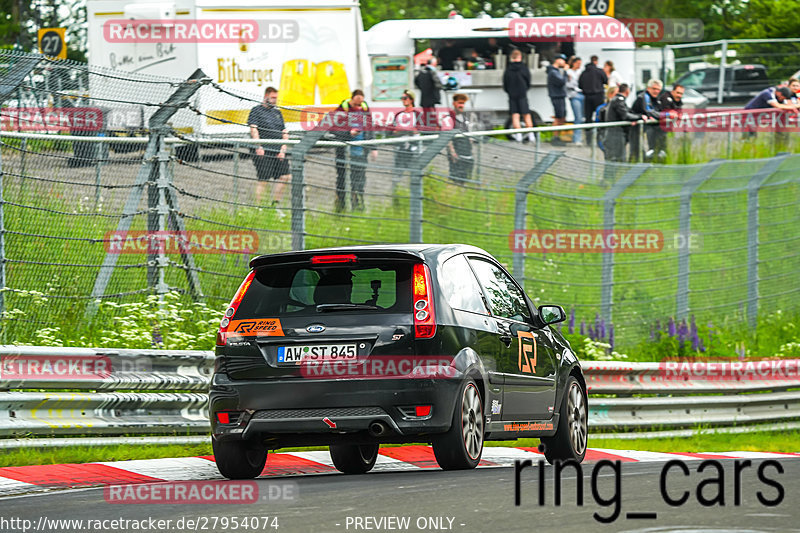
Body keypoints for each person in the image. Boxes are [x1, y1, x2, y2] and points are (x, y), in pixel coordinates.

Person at [332, 89, 378, 212]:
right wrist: (348, 133)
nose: (358, 106)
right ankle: (341, 206)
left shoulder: (364, 108)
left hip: (360, 151)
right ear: (351, 99)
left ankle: (358, 205)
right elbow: (333, 128)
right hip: (344, 152)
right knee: (343, 178)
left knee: (359, 178)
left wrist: (373, 147)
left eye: (360, 103)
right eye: (356, 104)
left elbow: (370, 127)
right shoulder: (342, 109)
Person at [248, 86, 290, 206]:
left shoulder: (277, 112)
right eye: (272, 98)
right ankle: (259, 206)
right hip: (263, 149)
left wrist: (283, 149)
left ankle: (275, 204)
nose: (275, 100)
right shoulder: (256, 110)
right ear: (266, 97)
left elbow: (284, 131)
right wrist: (258, 146)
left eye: (276, 98)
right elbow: (253, 129)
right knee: (264, 179)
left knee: (285, 176)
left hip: (277, 149)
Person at [604, 83, 650, 164]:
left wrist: (636, 117)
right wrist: (640, 117)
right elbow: (625, 115)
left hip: (615, 134)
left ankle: (613, 176)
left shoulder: (618, 100)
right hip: (615, 134)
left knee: (617, 159)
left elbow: (629, 113)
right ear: (627, 91)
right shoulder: (619, 100)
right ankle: (612, 177)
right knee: (617, 159)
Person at [391, 90, 423, 199]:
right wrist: (405, 130)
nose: (403, 100)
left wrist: (403, 129)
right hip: (400, 148)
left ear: (411, 100)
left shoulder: (418, 114)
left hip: (414, 148)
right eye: (402, 98)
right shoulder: (398, 115)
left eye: (406, 98)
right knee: (397, 175)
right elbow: (392, 131)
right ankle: (396, 198)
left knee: (416, 174)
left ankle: (416, 198)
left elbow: (418, 130)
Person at [502, 49, 535, 142]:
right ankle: (531, 134)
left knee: (515, 115)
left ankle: (519, 135)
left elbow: (505, 84)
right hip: (522, 94)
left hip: (512, 95)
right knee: (526, 114)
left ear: (511, 57)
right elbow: (528, 81)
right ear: (520, 57)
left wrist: (509, 91)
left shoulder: (508, 69)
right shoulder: (524, 68)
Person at [630, 79, 664, 162]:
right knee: (636, 151)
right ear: (648, 88)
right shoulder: (643, 97)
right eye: (654, 89)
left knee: (653, 149)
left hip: (648, 128)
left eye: (658, 89)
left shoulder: (655, 99)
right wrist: (663, 116)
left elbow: (657, 111)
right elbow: (648, 111)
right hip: (637, 128)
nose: (656, 91)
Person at [578, 55, 608, 145]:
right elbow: (605, 80)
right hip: (598, 96)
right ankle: (600, 139)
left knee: (588, 118)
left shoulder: (584, 72)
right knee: (600, 117)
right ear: (596, 61)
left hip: (587, 96)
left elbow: (580, 85)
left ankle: (588, 140)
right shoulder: (600, 71)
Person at [447, 93, 473, 184]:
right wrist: (452, 153)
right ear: (454, 103)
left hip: (467, 152)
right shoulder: (449, 118)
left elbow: (469, 134)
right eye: (459, 103)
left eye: (463, 103)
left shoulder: (465, 117)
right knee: (456, 178)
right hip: (457, 153)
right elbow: (447, 139)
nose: (461, 105)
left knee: (467, 177)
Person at [655, 83, 685, 158]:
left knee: (667, 148)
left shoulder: (678, 99)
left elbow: (679, 112)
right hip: (656, 128)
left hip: (668, 128)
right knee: (658, 148)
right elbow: (669, 113)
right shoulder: (665, 98)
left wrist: (676, 114)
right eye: (678, 93)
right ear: (673, 91)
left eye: (681, 94)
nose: (679, 95)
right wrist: (673, 114)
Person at [415, 58, 444, 130]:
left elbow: (416, 81)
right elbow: (438, 83)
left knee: (426, 112)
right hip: (432, 96)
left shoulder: (421, 72)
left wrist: (422, 88)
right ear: (433, 63)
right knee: (432, 112)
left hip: (424, 97)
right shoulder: (432, 72)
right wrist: (439, 87)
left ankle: (427, 126)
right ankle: (434, 127)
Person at [547, 54, 568, 144]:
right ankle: (555, 137)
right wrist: (565, 72)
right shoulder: (553, 72)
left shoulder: (555, 71)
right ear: (557, 60)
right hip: (557, 96)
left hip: (559, 96)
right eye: (563, 60)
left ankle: (557, 136)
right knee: (558, 117)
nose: (564, 62)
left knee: (562, 116)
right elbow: (561, 82)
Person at [566, 56, 584, 146]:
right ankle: (577, 139)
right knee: (578, 117)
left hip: (582, 94)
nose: (579, 65)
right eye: (578, 63)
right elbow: (568, 84)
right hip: (574, 95)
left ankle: (580, 138)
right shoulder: (568, 72)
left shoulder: (581, 72)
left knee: (582, 117)